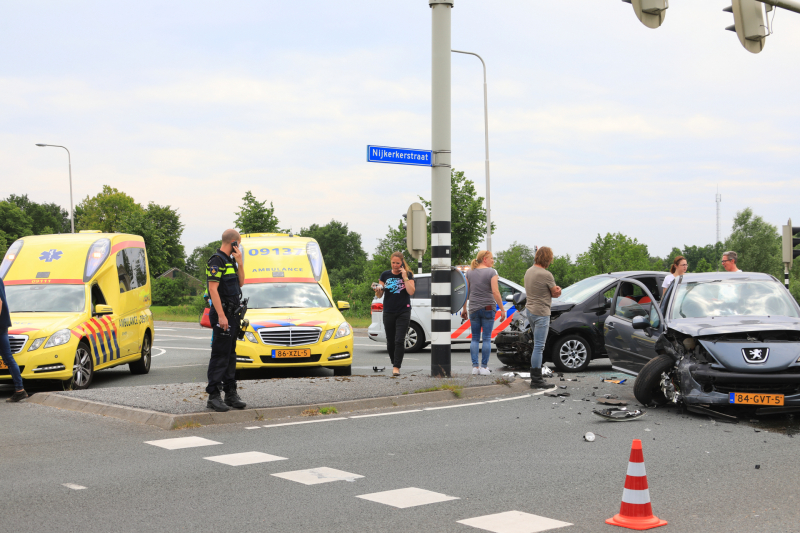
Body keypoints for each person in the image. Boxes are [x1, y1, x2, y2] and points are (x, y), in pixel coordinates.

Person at [205, 229, 247, 412]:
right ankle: (213, 396)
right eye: (239, 244)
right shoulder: (217, 261)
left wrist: (240, 263)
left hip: (233, 315)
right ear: (234, 243)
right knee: (220, 356)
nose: (240, 247)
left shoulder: (230, 261)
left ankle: (230, 393)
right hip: (223, 315)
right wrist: (221, 316)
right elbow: (212, 289)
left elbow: (241, 283)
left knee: (230, 355)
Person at [523, 246, 561, 389]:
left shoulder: (529, 271)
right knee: (539, 347)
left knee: (536, 345)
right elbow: (555, 293)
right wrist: (558, 290)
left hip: (530, 311)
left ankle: (536, 376)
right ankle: (536, 379)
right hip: (541, 312)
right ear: (547, 258)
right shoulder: (546, 275)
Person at [461, 250, 504, 375]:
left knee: (474, 338)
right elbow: (495, 292)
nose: (493, 261)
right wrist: (502, 309)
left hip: (473, 308)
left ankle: (475, 367)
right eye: (491, 258)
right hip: (488, 308)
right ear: (485, 259)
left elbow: (465, 292)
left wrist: (464, 309)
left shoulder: (469, 272)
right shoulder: (492, 272)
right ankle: (484, 368)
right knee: (486, 338)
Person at [373, 252, 415, 376]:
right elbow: (379, 295)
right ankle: (394, 362)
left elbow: (411, 292)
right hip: (388, 311)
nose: (395, 265)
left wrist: (405, 277)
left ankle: (396, 367)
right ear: (390, 262)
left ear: (402, 263)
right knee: (390, 341)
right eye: (393, 263)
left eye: (397, 263)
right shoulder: (385, 275)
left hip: (403, 311)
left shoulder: (408, 274)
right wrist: (377, 290)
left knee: (399, 340)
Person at [0, 277, 27, 402]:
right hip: (2, 324)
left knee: (8, 358)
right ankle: (19, 390)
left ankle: (20, 390)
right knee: (8, 358)